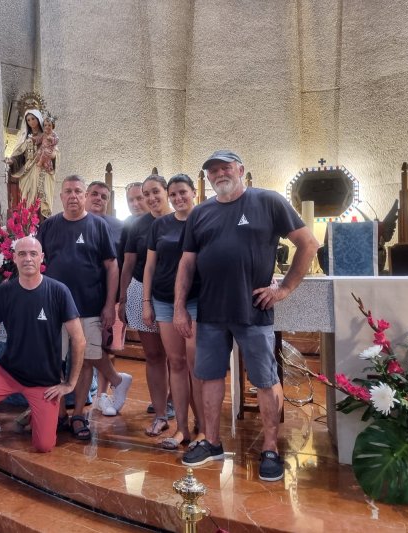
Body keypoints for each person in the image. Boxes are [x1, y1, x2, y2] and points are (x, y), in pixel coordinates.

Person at [175, 150, 318, 482]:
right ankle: (211, 441)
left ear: (240, 169)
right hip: (210, 311)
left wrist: (283, 289)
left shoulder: (267, 201)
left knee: (265, 380)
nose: (219, 174)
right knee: (209, 377)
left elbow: (308, 244)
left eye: (225, 167)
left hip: (252, 309)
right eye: (212, 171)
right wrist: (180, 307)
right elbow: (187, 264)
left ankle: (270, 447)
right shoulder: (200, 214)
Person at [0, 237, 85, 486]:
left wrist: (69, 384)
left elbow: (79, 339)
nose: (28, 258)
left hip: (44, 381)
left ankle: (33, 411)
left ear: (42, 258)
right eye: (22, 254)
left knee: (44, 446)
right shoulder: (5, 291)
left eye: (33, 253)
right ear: (15, 258)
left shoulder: (58, 291)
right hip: (8, 373)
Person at [37, 175, 131, 440]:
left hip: (89, 306)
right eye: (68, 191)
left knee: (84, 361)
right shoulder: (49, 226)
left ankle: (79, 414)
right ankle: (58, 414)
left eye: (78, 191)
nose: (73, 196)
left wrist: (109, 304)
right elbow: (36, 261)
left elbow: (112, 266)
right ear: (61, 196)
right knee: (54, 362)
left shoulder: (97, 226)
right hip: (54, 309)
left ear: (84, 195)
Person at [141, 174, 203, 449]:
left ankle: (204, 427)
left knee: (195, 365)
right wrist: (146, 302)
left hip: (197, 300)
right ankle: (182, 428)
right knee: (175, 363)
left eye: (183, 193)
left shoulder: (203, 218)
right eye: (174, 194)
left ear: (193, 193)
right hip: (164, 300)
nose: (178, 198)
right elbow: (150, 267)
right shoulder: (160, 225)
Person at [118, 175, 172, 429]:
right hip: (140, 290)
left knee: (177, 356)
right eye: (144, 194)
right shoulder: (136, 225)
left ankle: (178, 404)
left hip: (175, 293)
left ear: (166, 192)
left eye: (154, 193)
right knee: (153, 354)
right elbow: (127, 265)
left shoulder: (184, 219)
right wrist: (121, 299)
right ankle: (160, 411)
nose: (150, 199)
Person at [86, 181, 124, 416]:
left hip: (110, 296)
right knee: (86, 346)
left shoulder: (118, 226)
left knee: (106, 349)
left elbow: (121, 263)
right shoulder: (74, 221)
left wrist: (116, 300)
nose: (99, 199)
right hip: (83, 295)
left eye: (104, 196)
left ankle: (102, 395)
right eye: (94, 194)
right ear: (86, 196)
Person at [6, 109, 58, 217]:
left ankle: (42, 220)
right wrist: (12, 160)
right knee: (27, 198)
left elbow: (55, 152)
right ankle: (28, 222)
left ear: (39, 119)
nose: (31, 122)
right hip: (27, 172)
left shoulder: (47, 136)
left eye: (33, 119)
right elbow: (19, 155)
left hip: (43, 170)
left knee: (42, 197)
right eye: (28, 120)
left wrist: (53, 155)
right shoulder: (26, 139)